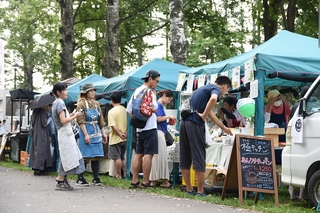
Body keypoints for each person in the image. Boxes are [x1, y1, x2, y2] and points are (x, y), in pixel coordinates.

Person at [179, 75, 233, 196]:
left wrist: (223, 127)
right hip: (195, 123)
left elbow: (209, 113)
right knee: (199, 154)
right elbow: (213, 100)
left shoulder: (202, 89)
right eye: (227, 90)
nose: (224, 93)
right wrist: (203, 116)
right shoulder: (216, 90)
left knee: (185, 155)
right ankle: (200, 190)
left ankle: (189, 189)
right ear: (224, 86)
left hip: (184, 122)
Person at [126, 70, 160, 189]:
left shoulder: (137, 91)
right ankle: (145, 181)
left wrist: (138, 120)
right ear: (150, 79)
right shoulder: (150, 92)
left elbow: (129, 109)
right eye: (156, 81)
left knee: (138, 154)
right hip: (150, 126)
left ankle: (135, 180)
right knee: (149, 155)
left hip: (140, 128)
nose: (157, 84)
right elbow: (155, 108)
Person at [51, 82, 85, 191]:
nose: (66, 92)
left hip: (63, 133)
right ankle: (60, 180)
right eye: (64, 90)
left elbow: (63, 118)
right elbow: (63, 120)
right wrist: (75, 115)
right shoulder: (60, 104)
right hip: (65, 134)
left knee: (67, 156)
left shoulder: (56, 103)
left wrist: (70, 115)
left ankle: (62, 179)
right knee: (67, 157)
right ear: (58, 92)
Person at [76, 82, 108, 186]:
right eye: (91, 91)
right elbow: (80, 120)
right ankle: (80, 178)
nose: (93, 92)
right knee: (85, 155)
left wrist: (103, 133)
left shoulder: (96, 104)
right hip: (86, 130)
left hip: (96, 131)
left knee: (96, 155)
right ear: (85, 92)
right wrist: (85, 134)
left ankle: (96, 178)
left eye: (93, 90)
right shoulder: (81, 104)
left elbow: (101, 119)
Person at [149, 89, 176, 188]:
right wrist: (169, 116)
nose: (169, 102)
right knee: (161, 156)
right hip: (159, 133)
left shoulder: (158, 105)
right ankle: (164, 181)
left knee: (157, 157)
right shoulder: (158, 105)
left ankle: (154, 180)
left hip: (157, 132)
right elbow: (158, 118)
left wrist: (168, 122)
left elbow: (159, 121)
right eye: (169, 99)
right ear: (164, 96)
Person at [288, 85, 309, 201]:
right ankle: (302, 195)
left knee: (292, 164)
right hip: (304, 138)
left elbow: (289, 121)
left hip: (293, 137)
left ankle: (292, 194)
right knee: (304, 166)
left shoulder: (294, 106)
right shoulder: (309, 105)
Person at [28, 105, 54, 176]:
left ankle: (35, 168)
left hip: (36, 133)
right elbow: (44, 123)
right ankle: (40, 169)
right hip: (42, 134)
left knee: (36, 150)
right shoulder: (42, 112)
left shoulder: (35, 112)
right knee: (42, 151)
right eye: (48, 106)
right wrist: (50, 118)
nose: (49, 108)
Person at [107, 91, 127, 179]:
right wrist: (125, 133)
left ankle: (118, 174)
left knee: (117, 157)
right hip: (125, 137)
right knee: (122, 157)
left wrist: (119, 134)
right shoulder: (125, 110)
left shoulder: (111, 112)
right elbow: (128, 123)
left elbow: (113, 126)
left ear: (112, 100)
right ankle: (125, 174)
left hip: (115, 138)